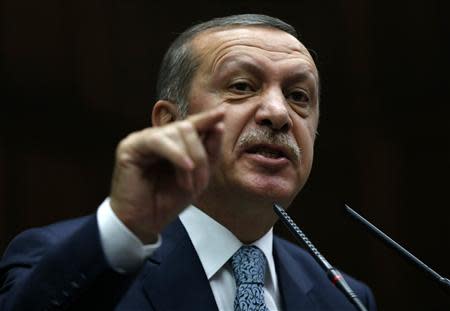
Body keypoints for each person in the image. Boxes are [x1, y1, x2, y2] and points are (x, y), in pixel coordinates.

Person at [0, 14, 376, 310]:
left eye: (298, 96)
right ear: (170, 124)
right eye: (242, 86)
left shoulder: (346, 297)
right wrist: (126, 228)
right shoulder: (62, 259)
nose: (278, 114)